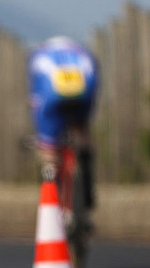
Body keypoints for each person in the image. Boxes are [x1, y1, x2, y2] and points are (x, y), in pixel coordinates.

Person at [28, 36, 98, 217]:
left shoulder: (40, 55)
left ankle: (51, 187)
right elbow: (95, 83)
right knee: (82, 135)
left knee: (49, 151)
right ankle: (88, 191)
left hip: (52, 98)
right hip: (83, 95)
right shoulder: (82, 53)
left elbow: (36, 96)